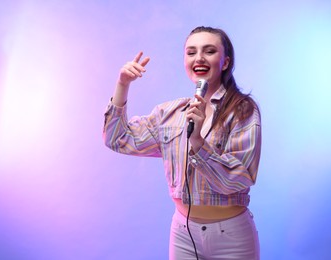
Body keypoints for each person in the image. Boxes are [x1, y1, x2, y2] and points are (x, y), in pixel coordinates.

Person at [103, 26, 262, 260]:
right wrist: (122, 84)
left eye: (209, 51)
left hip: (231, 237)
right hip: (182, 234)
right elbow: (117, 139)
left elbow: (239, 178)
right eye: (191, 52)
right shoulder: (170, 113)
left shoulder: (242, 110)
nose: (199, 58)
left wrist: (197, 141)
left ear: (225, 62)